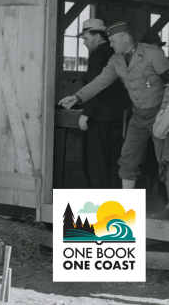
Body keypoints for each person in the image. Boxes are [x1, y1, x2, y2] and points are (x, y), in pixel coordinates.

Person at [59, 22, 169, 195]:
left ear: (125, 37)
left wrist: (165, 110)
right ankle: (125, 204)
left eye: (113, 41)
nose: (111, 44)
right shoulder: (116, 60)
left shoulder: (153, 55)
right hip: (138, 117)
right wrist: (77, 97)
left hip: (159, 115)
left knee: (165, 160)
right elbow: (99, 82)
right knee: (127, 159)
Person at [77, 19, 131, 188]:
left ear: (98, 37)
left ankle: (98, 204)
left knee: (97, 162)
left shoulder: (97, 55)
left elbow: (95, 85)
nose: (84, 43)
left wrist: (86, 113)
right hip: (119, 116)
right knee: (115, 160)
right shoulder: (118, 54)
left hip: (99, 117)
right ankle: (115, 203)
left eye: (86, 38)